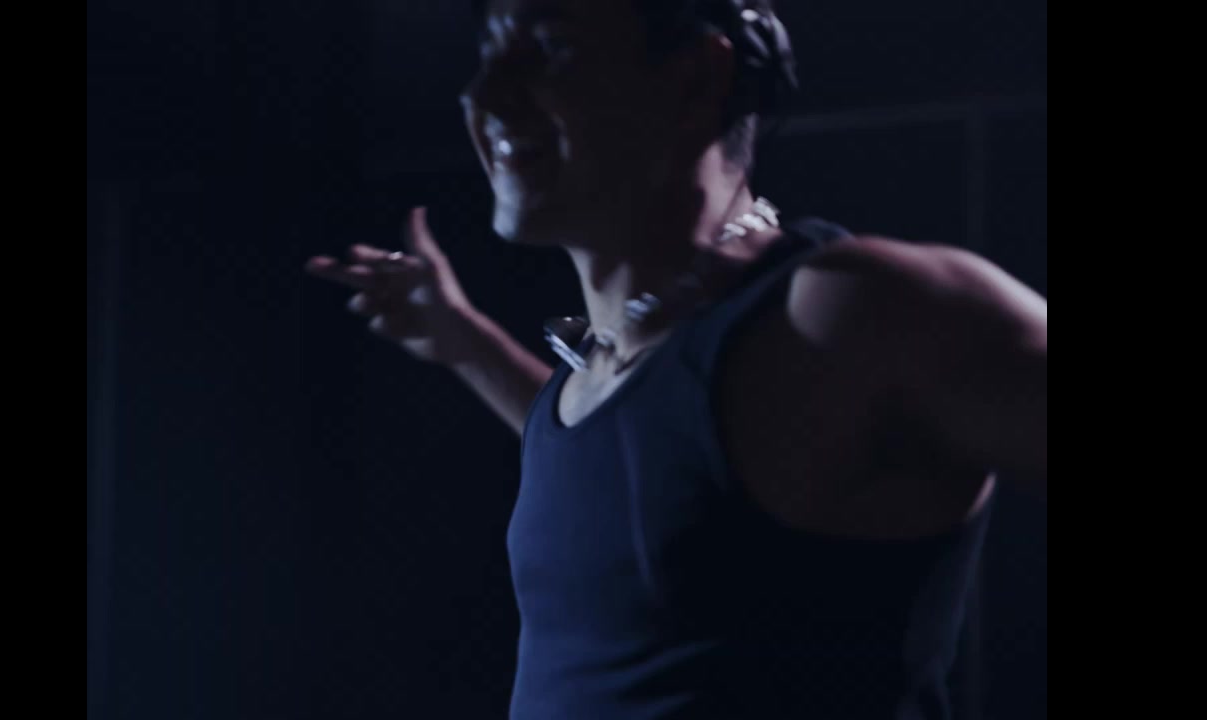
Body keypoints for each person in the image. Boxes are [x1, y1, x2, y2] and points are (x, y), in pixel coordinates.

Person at [305, 1, 1047, 717]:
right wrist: (465, 341)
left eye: (549, 46)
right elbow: (650, 472)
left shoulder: (845, 315)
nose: (486, 93)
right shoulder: (599, 372)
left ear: (695, 77)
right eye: (489, 53)